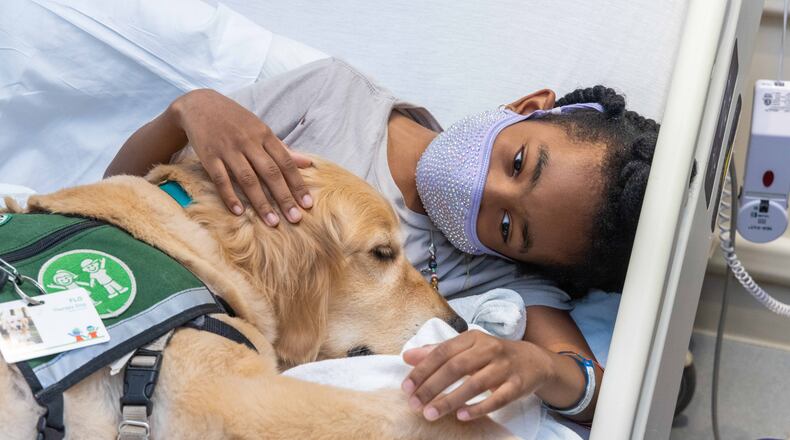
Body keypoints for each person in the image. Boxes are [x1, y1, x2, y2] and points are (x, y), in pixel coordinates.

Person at [106, 58, 658, 424]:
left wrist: (537, 366)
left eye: (509, 227)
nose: (486, 190)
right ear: (530, 108)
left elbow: (602, 395)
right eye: (518, 162)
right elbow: (122, 192)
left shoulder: (498, 274)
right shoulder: (333, 99)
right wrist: (188, 113)